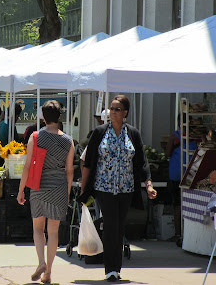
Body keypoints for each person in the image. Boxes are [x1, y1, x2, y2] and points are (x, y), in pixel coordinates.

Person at [80, 95, 157, 282]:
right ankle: (110, 269)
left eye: (116, 109)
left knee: (119, 226)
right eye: (111, 109)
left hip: (126, 188)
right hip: (103, 187)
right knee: (111, 225)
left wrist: (148, 185)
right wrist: (84, 189)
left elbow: (142, 162)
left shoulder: (133, 133)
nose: (112, 112)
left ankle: (116, 267)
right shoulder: (99, 132)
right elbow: (88, 163)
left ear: (125, 113)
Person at [17, 100, 75, 284]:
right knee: (54, 231)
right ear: (60, 117)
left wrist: (21, 190)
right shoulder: (68, 140)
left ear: (43, 116)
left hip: (38, 185)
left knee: (38, 228)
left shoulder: (35, 137)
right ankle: (48, 272)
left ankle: (41, 262)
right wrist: (67, 192)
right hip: (58, 186)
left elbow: (27, 166)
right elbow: (69, 170)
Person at [165, 114, 197, 241]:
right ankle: (186, 234)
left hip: (177, 174)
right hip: (192, 174)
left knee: (178, 205)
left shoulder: (175, 136)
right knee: (190, 205)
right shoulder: (196, 137)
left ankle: (178, 234)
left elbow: (167, 153)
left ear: (179, 122)